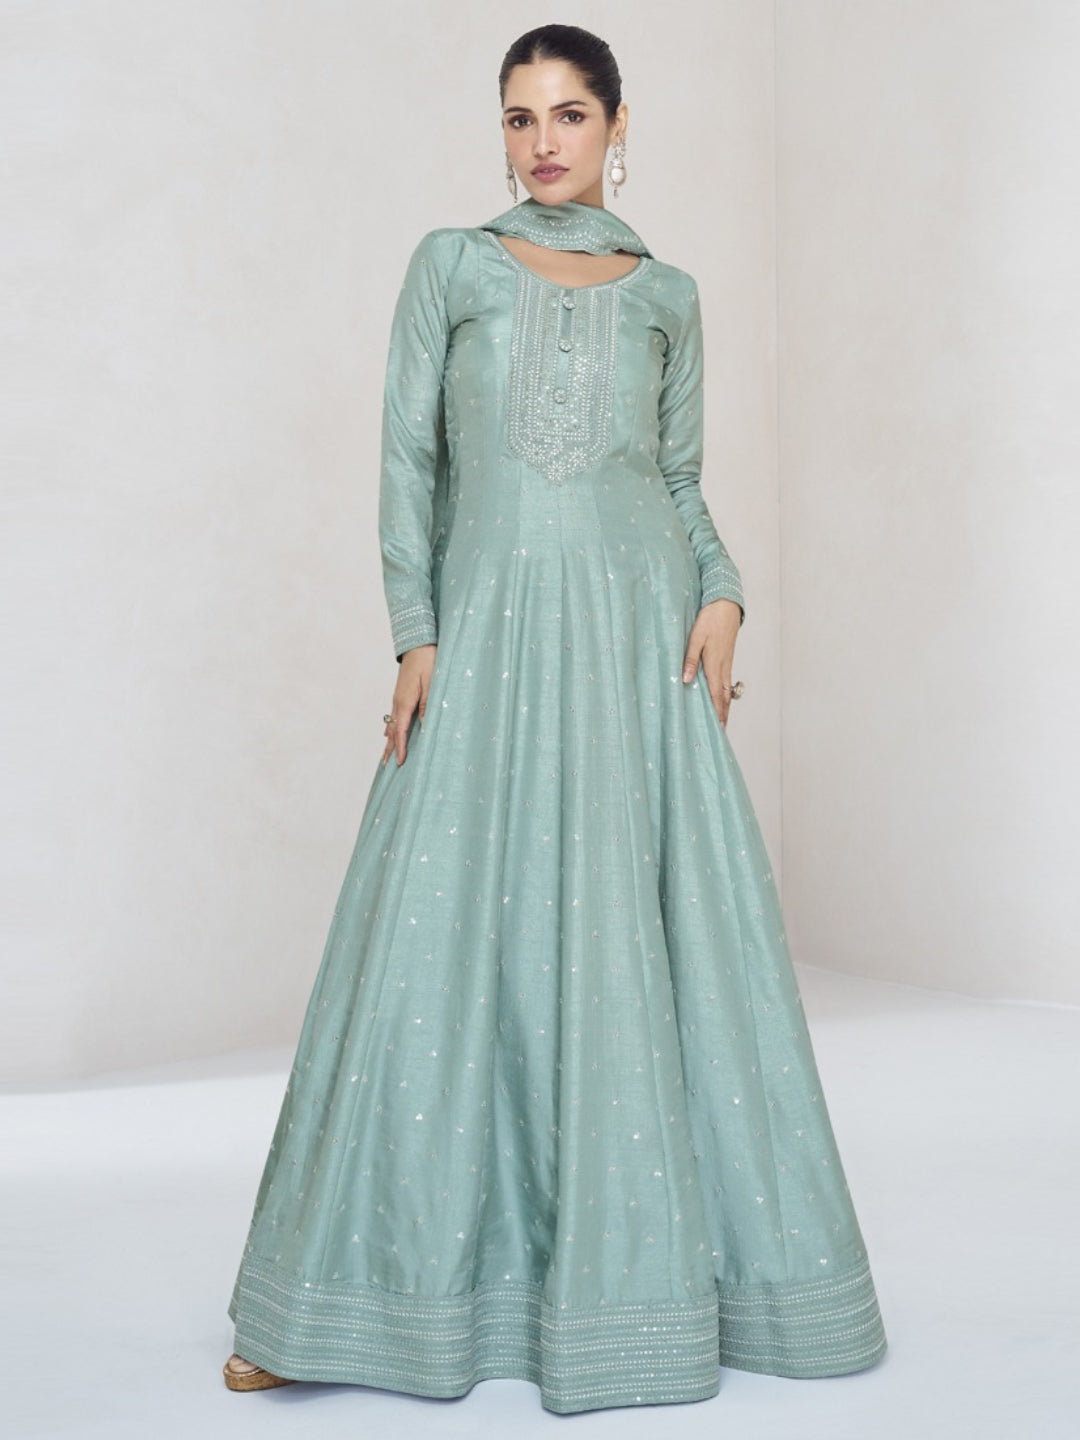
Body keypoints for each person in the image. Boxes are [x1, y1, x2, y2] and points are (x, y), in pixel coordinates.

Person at [222, 22, 888, 1415]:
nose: (543, 142)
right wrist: (415, 633)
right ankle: (334, 1303)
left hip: (639, 648)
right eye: (520, 117)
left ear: (616, 125)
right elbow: (407, 462)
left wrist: (727, 594)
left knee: (649, 950)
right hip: (491, 639)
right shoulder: (451, 266)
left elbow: (680, 481)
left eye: (570, 115)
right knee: (430, 945)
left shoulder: (670, 295)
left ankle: (646, 1302)